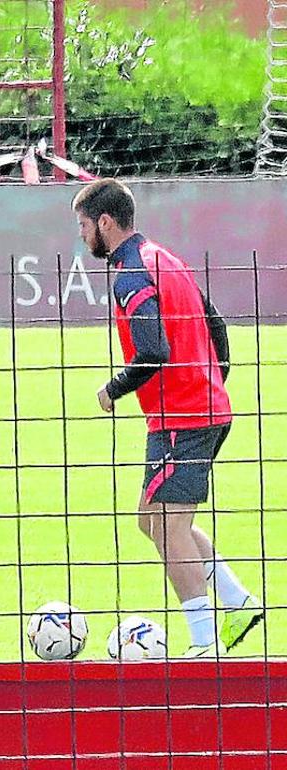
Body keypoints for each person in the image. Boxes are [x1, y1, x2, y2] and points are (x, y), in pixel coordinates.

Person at [74, 178, 263, 657]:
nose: (81, 236)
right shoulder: (166, 257)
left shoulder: (130, 273)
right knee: (152, 519)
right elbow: (214, 321)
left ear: (104, 222)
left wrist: (113, 388)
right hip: (199, 409)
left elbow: (153, 349)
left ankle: (203, 643)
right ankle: (236, 600)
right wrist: (214, 379)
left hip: (183, 417)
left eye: (82, 225)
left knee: (167, 522)